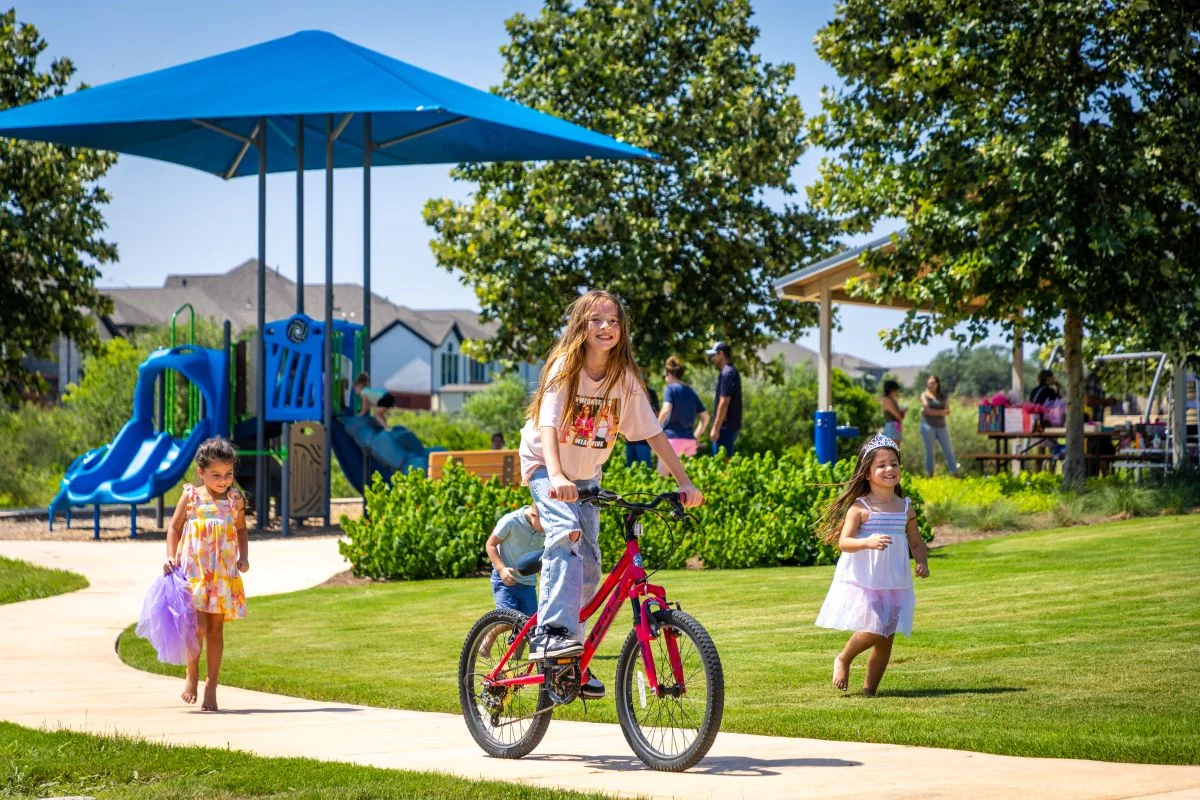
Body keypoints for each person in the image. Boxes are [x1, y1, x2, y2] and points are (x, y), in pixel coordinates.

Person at [518, 289, 704, 702]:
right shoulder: (565, 367)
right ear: (581, 327)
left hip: (585, 475)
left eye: (614, 321)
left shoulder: (624, 378)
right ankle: (551, 633)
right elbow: (548, 426)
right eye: (597, 320)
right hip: (545, 464)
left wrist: (684, 482)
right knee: (565, 532)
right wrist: (556, 475)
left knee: (589, 565)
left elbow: (653, 432)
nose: (606, 327)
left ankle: (570, 659)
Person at [815, 434, 930, 696]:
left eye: (894, 464)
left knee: (886, 640)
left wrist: (922, 562)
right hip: (867, 581)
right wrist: (867, 542)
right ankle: (844, 657)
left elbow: (916, 542)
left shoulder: (905, 507)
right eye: (881, 465)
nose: (889, 469)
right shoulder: (860, 507)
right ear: (867, 473)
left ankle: (870, 692)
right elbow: (844, 542)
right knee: (876, 629)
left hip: (895, 581)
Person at [163, 436, 248, 712]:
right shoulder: (192, 496)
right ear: (201, 472)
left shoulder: (235, 499)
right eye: (216, 475)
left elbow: (241, 529)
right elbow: (174, 528)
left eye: (228, 474)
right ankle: (192, 674)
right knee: (196, 627)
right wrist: (170, 556)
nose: (223, 480)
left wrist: (244, 557)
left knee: (215, 630)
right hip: (194, 572)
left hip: (221, 574)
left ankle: (212, 684)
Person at [485, 504, 545, 617]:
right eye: (544, 524)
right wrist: (501, 570)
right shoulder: (511, 521)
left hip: (528, 584)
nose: (546, 528)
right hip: (504, 581)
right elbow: (490, 545)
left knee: (529, 623)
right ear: (533, 515)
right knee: (506, 619)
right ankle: (492, 630)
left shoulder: (545, 528)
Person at [656, 356, 710, 476]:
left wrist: (656, 428)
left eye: (665, 376)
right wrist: (696, 435)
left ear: (669, 374)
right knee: (684, 482)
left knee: (661, 478)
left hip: (672, 440)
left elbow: (666, 409)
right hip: (689, 442)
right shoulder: (691, 391)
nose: (665, 378)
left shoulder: (670, 389)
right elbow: (706, 416)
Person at [705, 341, 742, 457]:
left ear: (721, 354)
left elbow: (724, 402)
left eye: (713, 355)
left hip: (725, 428)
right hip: (729, 427)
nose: (712, 358)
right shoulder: (731, 371)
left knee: (721, 463)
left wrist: (716, 428)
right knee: (725, 462)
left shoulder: (727, 373)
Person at [919, 374, 960, 477]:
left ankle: (955, 473)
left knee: (948, 450)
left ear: (937, 384)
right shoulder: (924, 395)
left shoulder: (944, 396)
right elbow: (927, 409)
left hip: (942, 426)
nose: (931, 385)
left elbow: (947, 411)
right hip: (928, 426)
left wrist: (932, 412)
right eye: (929, 383)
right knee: (930, 452)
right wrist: (940, 412)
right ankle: (930, 475)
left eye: (933, 383)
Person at [1084, 364, 1118, 476]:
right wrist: (1106, 401)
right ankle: (1096, 475)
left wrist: (1106, 402)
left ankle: (1104, 476)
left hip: (1098, 424)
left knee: (1105, 448)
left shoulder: (1098, 382)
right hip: (1090, 425)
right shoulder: (1092, 380)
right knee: (1097, 450)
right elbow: (1088, 401)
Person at [624, 373, 659, 468]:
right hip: (629, 439)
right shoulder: (628, 392)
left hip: (644, 440)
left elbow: (656, 413)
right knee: (630, 470)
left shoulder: (651, 393)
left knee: (645, 469)